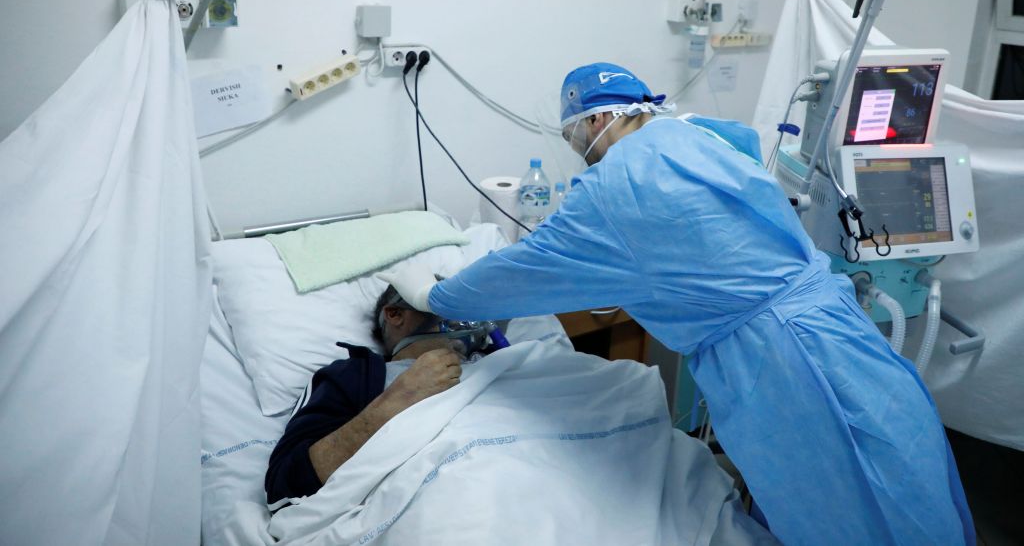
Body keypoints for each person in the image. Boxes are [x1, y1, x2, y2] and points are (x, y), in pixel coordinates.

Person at [381, 63, 976, 546]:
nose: (578, 150)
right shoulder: (703, 137)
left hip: (782, 362)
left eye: (573, 136)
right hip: (836, 325)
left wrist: (436, 295)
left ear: (600, 118)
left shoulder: (614, 190)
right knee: (904, 465)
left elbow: (523, 271)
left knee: (847, 501)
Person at [264, 285, 463, 505]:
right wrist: (399, 397)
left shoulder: (490, 362)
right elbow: (284, 489)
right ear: (395, 314)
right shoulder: (354, 375)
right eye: (441, 301)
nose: (463, 311)